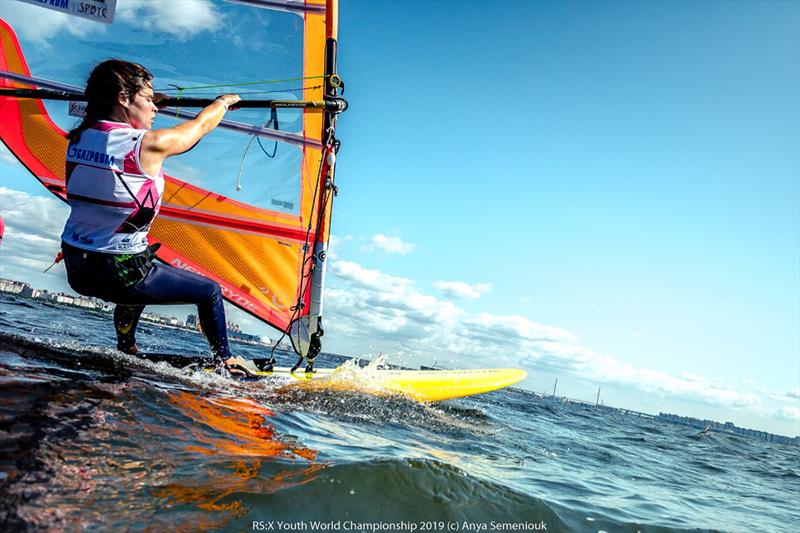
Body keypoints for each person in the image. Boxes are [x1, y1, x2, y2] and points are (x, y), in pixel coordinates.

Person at [60, 59, 253, 376]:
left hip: (77, 267)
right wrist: (222, 101)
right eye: (149, 99)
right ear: (123, 97)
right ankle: (227, 362)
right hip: (118, 273)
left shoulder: (78, 138)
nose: (154, 107)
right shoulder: (148, 144)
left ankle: (127, 348)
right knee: (209, 291)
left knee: (143, 255)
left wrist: (148, 102)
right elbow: (199, 127)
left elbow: (92, 163)